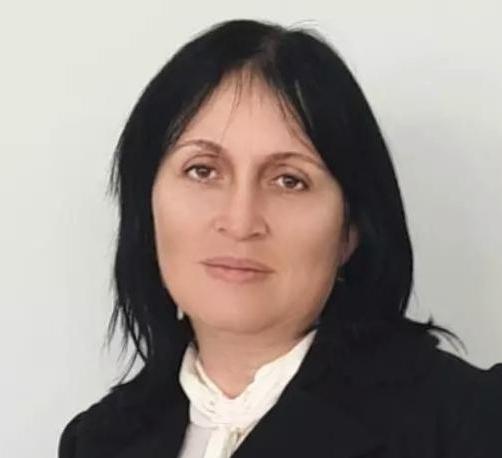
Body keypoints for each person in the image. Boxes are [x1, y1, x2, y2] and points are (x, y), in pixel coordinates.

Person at [57, 18, 502, 458]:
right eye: (203, 171)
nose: (240, 222)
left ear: (351, 229)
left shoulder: (472, 423)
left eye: (289, 180)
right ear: (147, 203)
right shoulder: (96, 442)